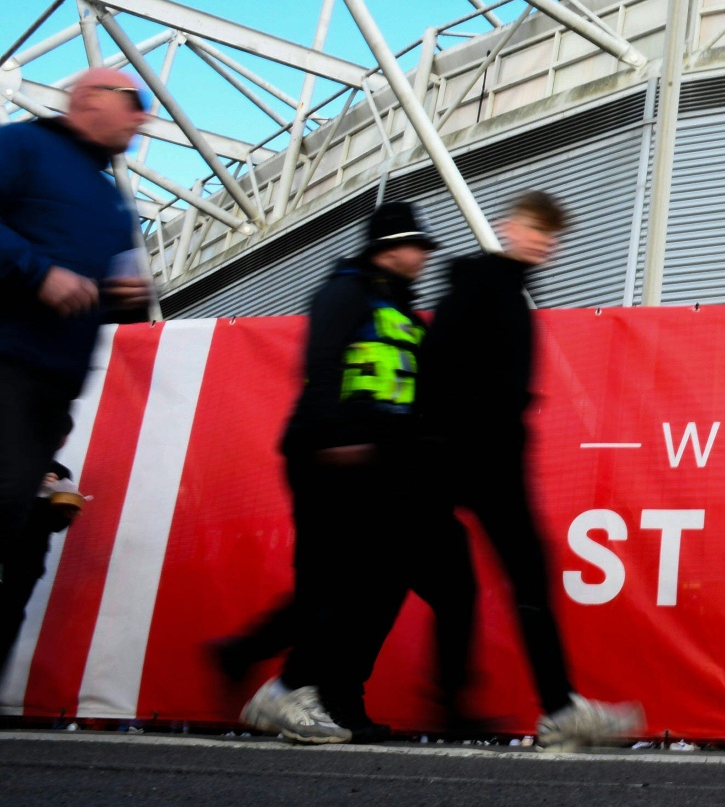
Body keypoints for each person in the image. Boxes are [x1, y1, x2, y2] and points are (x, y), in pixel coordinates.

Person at [241, 201, 474, 744]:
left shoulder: (403, 310)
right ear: (389, 248)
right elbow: (322, 365)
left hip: (381, 466)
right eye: (416, 246)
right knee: (337, 584)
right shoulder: (345, 293)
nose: (424, 256)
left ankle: (334, 698)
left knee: (372, 584)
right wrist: (335, 438)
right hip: (331, 459)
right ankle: (284, 693)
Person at [417, 192, 641, 751]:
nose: (544, 242)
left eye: (551, 235)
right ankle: (556, 708)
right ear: (508, 227)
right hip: (474, 456)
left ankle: (477, 705)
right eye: (536, 229)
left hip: (477, 454)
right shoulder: (484, 283)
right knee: (510, 576)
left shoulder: (508, 287)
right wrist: (459, 433)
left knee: (453, 582)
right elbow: (440, 363)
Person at [0, 67, 151, 670]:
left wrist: (126, 297)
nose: (144, 116)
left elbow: (122, 298)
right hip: (6, 361)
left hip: (52, 389)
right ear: (89, 98)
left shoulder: (113, 200)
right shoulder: (22, 146)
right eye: (134, 100)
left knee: (21, 533)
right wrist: (38, 273)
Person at [0, 463, 82, 664]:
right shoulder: (9, 457)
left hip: (27, 558)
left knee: (10, 615)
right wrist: (29, 484)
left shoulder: (60, 472)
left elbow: (55, 525)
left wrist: (66, 514)